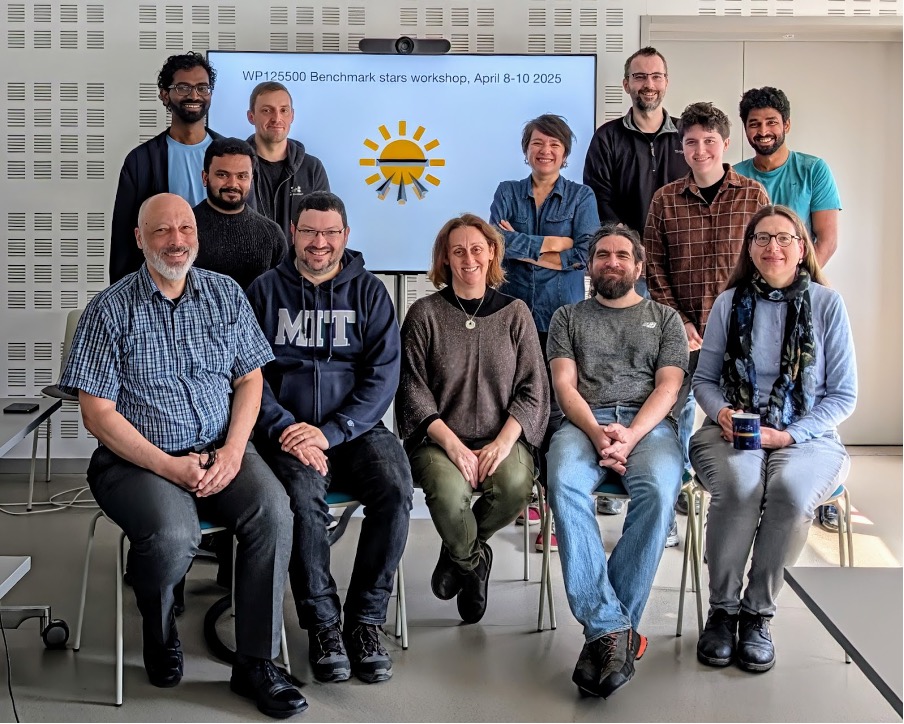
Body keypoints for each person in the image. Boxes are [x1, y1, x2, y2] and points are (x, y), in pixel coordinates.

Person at [59, 193, 306, 719]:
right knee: (175, 537)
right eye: (163, 231)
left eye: (185, 229)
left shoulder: (225, 295)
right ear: (140, 239)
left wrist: (236, 450)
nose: (177, 241)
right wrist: (170, 466)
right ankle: (159, 618)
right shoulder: (108, 311)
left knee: (274, 514)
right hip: (135, 459)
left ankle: (256, 664)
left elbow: (249, 378)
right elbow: (98, 415)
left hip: (221, 448)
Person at [246, 191, 412, 685]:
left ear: (345, 236)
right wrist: (286, 431)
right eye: (310, 231)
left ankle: (365, 622)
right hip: (288, 432)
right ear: (293, 232)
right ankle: (323, 626)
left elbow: (383, 377)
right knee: (301, 499)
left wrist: (333, 431)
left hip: (355, 430)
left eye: (330, 232)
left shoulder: (370, 292)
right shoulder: (263, 290)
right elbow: (250, 375)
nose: (320, 242)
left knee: (396, 489)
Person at [690, 205, 857, 673]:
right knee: (741, 488)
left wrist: (788, 435)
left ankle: (757, 613)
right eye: (762, 238)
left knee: (791, 491)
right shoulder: (728, 303)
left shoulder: (827, 304)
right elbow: (703, 379)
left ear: (802, 248)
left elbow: (843, 395)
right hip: (733, 430)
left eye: (784, 238)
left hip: (809, 433)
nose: (773, 248)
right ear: (749, 248)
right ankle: (722, 612)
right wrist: (722, 412)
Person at [546, 223, 687, 699]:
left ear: (638, 266)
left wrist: (629, 437)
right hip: (585, 422)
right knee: (563, 481)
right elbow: (565, 386)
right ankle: (615, 630)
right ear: (589, 265)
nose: (612, 262)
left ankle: (606, 633)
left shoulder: (665, 319)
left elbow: (668, 387)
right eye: (602, 254)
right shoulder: (567, 317)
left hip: (648, 427)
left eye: (622, 255)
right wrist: (599, 432)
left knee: (661, 489)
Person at [397, 214, 549, 624]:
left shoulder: (516, 313)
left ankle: (458, 554)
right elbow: (410, 387)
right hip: (439, 440)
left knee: (516, 485)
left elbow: (534, 387)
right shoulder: (424, 314)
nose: (469, 259)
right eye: (458, 250)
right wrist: (452, 445)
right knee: (448, 496)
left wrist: (502, 443)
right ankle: (473, 563)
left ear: (492, 254)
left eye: (477, 249)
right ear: (445, 259)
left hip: (504, 435)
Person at [644, 101, 769, 530]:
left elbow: (764, 260)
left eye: (709, 141)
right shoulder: (665, 200)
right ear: (682, 147)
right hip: (682, 330)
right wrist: (678, 319)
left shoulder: (753, 194)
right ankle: (672, 496)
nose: (701, 150)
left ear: (726, 143)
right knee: (673, 412)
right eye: (692, 142)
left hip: (740, 331)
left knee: (737, 411)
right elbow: (654, 265)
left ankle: (733, 503)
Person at [582, 49, 689, 517]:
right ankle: (610, 472)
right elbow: (599, 206)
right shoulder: (607, 139)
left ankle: (667, 483)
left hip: (677, 273)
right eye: (640, 76)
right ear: (626, 84)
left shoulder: (688, 136)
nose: (649, 83)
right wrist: (627, 255)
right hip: (623, 270)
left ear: (667, 82)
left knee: (675, 386)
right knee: (614, 373)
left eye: (657, 75)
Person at [489, 113, 599, 548]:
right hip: (513, 312)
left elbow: (586, 253)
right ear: (526, 149)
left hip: (562, 314)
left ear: (565, 153)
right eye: (537, 143)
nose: (545, 151)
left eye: (554, 145)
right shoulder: (506, 192)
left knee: (556, 408)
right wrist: (555, 245)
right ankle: (522, 494)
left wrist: (525, 247)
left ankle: (554, 507)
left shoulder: (581, 195)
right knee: (515, 402)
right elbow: (497, 245)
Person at [110, 52, 223, 283]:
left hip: (220, 286)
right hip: (160, 285)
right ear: (164, 95)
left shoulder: (232, 156)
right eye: (183, 87)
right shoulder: (140, 161)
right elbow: (124, 241)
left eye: (203, 87)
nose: (194, 95)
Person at [734, 87, 841, 268]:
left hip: (800, 283)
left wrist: (796, 282)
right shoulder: (734, 176)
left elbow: (827, 241)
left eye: (771, 122)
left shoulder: (813, 170)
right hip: (748, 285)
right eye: (754, 124)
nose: (763, 131)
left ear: (787, 125)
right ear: (745, 129)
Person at [193, 137, 287, 289]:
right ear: (205, 178)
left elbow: (281, 296)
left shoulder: (272, 235)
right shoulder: (183, 230)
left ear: (251, 180)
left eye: (242, 176)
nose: (232, 184)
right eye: (222, 175)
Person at [247, 81, 330, 243]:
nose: (276, 118)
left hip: (297, 267)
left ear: (292, 115)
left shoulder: (312, 169)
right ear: (251, 116)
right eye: (266, 110)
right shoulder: (236, 167)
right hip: (249, 266)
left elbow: (323, 227)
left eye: (283, 110)